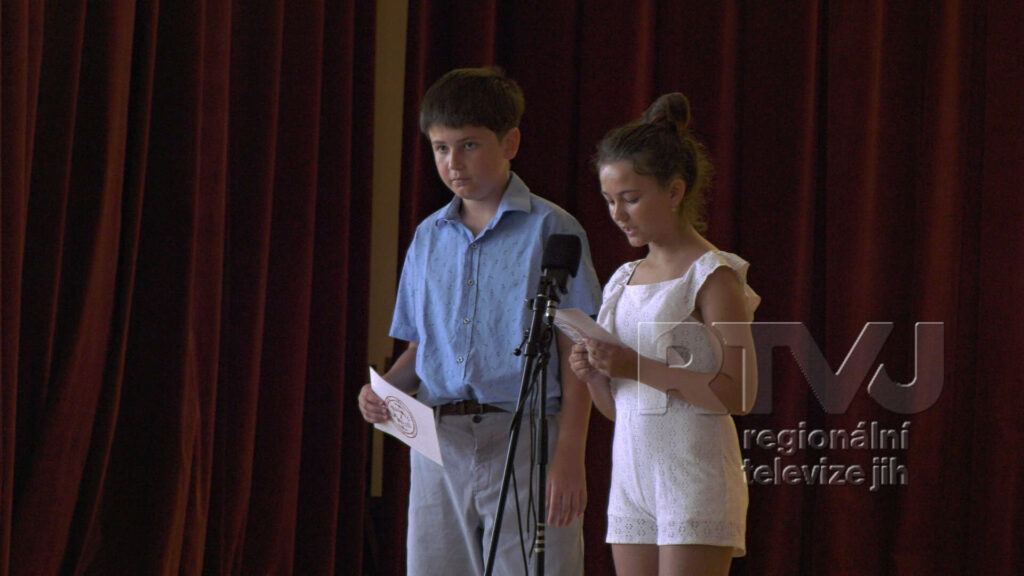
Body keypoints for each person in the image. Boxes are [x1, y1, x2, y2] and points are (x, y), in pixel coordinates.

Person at [358, 67, 602, 575]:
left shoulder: (552, 228)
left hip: (525, 432)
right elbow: (423, 347)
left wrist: (570, 452)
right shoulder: (428, 236)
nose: (453, 163)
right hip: (438, 439)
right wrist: (384, 390)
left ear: (509, 142)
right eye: (440, 148)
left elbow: (576, 351)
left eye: (469, 145)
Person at [569, 92, 760, 575]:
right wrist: (595, 375)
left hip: (695, 475)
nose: (618, 214)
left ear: (674, 192)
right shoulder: (622, 280)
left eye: (631, 199)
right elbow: (621, 408)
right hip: (632, 477)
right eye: (609, 201)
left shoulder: (713, 275)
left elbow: (740, 393)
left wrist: (634, 366)